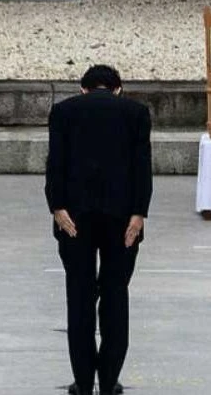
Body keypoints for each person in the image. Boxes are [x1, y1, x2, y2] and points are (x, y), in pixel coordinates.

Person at [46, 64, 153, 395]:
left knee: (79, 298)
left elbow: (55, 164)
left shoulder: (63, 112)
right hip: (122, 219)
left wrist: (57, 207)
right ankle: (108, 381)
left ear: (83, 89)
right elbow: (142, 167)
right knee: (115, 296)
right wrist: (139, 213)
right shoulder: (135, 112)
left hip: (74, 218)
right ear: (118, 88)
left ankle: (83, 381)